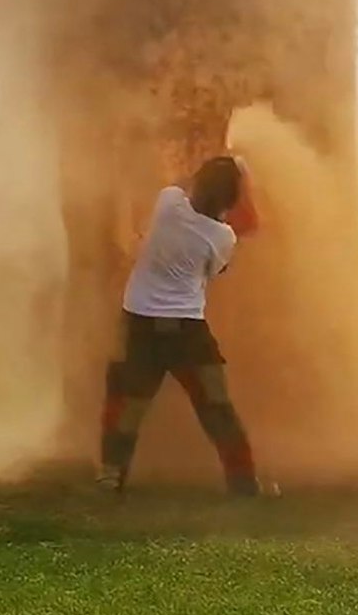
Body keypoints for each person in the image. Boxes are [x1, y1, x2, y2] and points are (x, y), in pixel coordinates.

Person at [98, 155, 268, 497]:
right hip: (187, 331)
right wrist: (239, 172)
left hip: (139, 324)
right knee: (217, 407)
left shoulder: (168, 202)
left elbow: (182, 181)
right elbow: (215, 271)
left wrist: (215, 165)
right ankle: (244, 483)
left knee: (127, 403)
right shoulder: (221, 237)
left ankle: (110, 476)